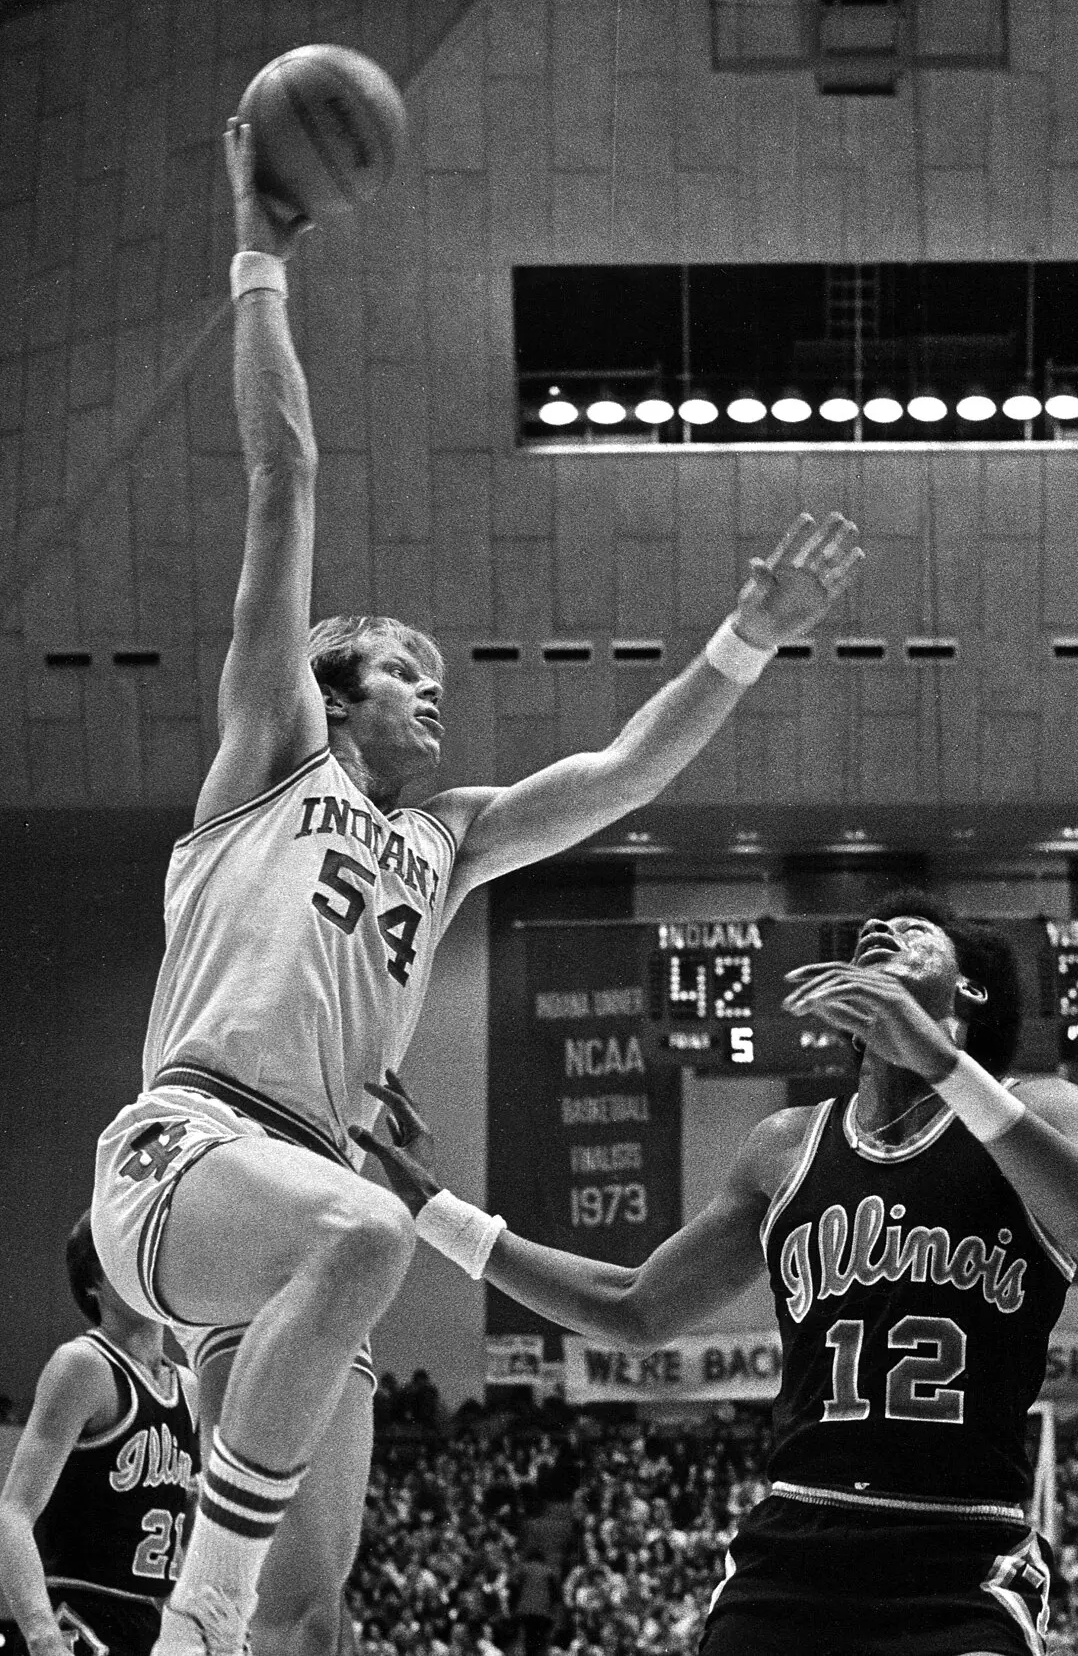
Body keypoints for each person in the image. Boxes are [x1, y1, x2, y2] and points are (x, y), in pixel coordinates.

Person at [86, 117, 864, 1656]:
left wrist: (750, 636)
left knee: (319, 1618)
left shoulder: (451, 835)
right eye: (402, 670)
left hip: (311, 1210)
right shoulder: (272, 763)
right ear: (331, 689)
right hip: (191, 1157)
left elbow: (631, 768)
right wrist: (262, 257)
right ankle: (195, 1610)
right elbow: (284, 480)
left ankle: (237, 1609)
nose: (432, 694)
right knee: (363, 1247)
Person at [360, 892, 1078, 1656]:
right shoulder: (785, 1147)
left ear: (969, 988)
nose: (880, 933)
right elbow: (633, 1307)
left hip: (964, 1548)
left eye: (911, 932)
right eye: (869, 935)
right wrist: (440, 1213)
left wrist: (942, 1062)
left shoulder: (1045, 1109)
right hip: (798, 1543)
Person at [0, 1212, 199, 1656]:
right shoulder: (84, 1366)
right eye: (126, 1254)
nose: (146, 1266)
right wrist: (42, 1636)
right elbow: (11, 1514)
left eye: (150, 1252)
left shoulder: (189, 1386)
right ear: (94, 1282)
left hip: (155, 1621)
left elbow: (180, 1527)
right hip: (80, 1614)